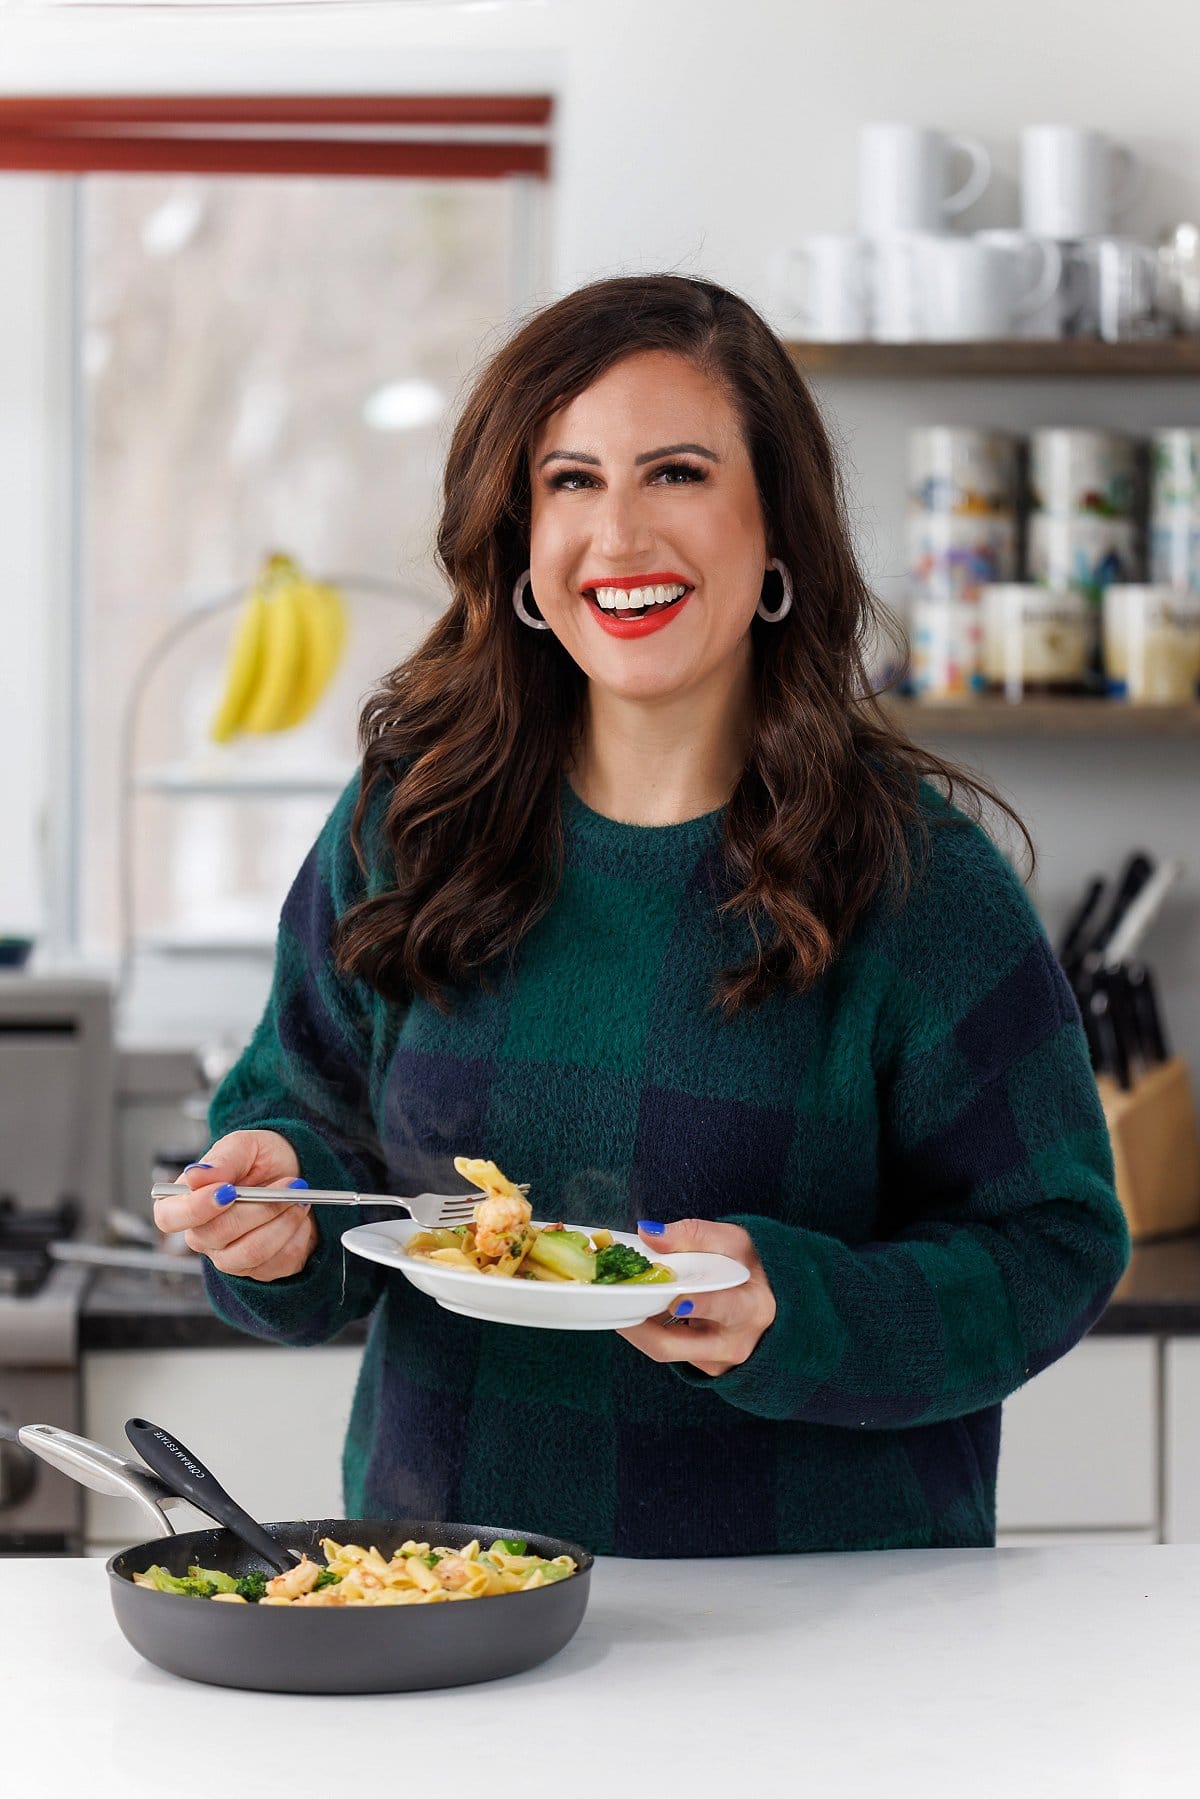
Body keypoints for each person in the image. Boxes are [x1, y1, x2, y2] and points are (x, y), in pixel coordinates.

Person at [155, 274, 1129, 1557]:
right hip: (448, 1586)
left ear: (775, 525)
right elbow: (308, 1139)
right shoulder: (411, 822)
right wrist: (272, 1218)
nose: (618, 537)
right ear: (516, 538)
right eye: (570, 480)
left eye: (676, 473)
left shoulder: (918, 878)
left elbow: (1052, 1243)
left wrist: (799, 1310)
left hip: (829, 1631)